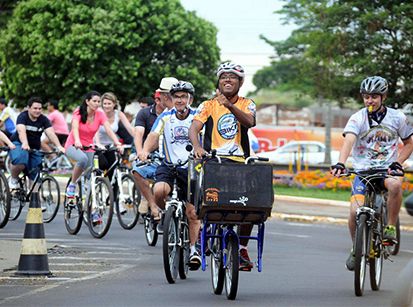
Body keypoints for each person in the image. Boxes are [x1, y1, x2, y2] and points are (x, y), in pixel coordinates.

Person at [330, 76, 413, 271]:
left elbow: (409, 143)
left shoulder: (397, 117)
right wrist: (341, 162)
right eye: (366, 97)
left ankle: (390, 226)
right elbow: (349, 140)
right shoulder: (357, 118)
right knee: (353, 212)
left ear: (383, 97)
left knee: (394, 185)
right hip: (363, 171)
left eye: (374, 96)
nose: (370, 101)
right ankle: (356, 248)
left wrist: (397, 162)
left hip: (387, 170)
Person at [189, 62, 257, 271]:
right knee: (204, 200)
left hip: (240, 163)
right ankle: (201, 238)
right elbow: (194, 128)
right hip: (214, 161)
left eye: (233, 77)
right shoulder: (208, 105)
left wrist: (229, 106)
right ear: (218, 82)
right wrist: (198, 147)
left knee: (253, 205)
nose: (227, 80)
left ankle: (242, 248)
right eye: (223, 77)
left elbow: (249, 122)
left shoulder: (247, 103)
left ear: (240, 82)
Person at [139, 81, 202, 270]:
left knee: (192, 213)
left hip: (191, 167)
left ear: (190, 98)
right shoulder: (166, 116)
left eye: (184, 96)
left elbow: (205, 137)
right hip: (168, 165)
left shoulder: (198, 116)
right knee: (159, 191)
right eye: (176, 96)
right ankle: (169, 218)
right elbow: (153, 135)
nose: (180, 100)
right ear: (171, 99)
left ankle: (193, 250)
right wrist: (144, 151)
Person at [65, 91, 123, 223]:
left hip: (90, 146)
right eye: (95, 101)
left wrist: (117, 142)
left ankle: (93, 211)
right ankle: (72, 185)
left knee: (90, 180)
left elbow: (108, 129)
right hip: (73, 144)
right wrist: (78, 141)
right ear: (87, 101)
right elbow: (74, 128)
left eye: (98, 102)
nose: (97, 104)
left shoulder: (100, 114)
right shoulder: (79, 112)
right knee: (83, 160)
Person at [132, 77, 177, 217]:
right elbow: (149, 135)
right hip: (160, 158)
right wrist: (142, 151)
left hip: (182, 161)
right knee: (138, 170)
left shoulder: (187, 113)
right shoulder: (151, 114)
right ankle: (154, 205)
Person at [8, 97, 65, 190]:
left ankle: (33, 198)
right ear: (29, 108)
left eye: (39, 108)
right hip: (19, 143)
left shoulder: (44, 119)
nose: (37, 111)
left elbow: (51, 133)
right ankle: (13, 179)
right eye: (35, 108)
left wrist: (59, 146)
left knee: (36, 171)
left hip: (34, 147)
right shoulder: (23, 116)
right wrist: (25, 143)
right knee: (20, 159)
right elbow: (21, 131)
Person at [95, 92, 135, 181]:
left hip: (111, 145)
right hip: (97, 146)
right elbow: (96, 131)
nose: (106, 106)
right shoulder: (98, 113)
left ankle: (113, 193)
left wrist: (138, 139)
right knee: (103, 165)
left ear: (114, 104)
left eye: (109, 104)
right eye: (104, 104)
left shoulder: (118, 114)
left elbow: (130, 128)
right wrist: (97, 143)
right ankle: (97, 185)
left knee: (113, 171)